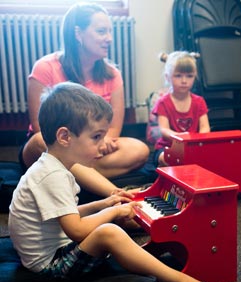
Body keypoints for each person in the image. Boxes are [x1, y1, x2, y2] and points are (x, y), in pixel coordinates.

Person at [9, 82, 235, 282]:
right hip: (50, 267)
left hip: (50, 253)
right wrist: (113, 211)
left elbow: (63, 214)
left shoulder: (51, 167)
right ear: (64, 136)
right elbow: (75, 229)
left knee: (108, 224)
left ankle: (150, 264)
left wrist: (104, 203)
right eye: (96, 137)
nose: (102, 145)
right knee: (110, 231)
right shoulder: (52, 177)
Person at [20, 2, 150, 197]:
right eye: (101, 31)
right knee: (39, 141)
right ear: (78, 33)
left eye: (110, 32)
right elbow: (41, 127)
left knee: (139, 149)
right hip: (52, 147)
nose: (110, 38)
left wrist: (102, 140)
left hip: (92, 147)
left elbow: (113, 128)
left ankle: (76, 177)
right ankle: (114, 194)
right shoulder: (44, 68)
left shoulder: (112, 74)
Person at [152, 51, 210, 166]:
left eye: (189, 76)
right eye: (178, 76)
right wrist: (181, 137)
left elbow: (205, 128)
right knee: (165, 158)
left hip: (194, 146)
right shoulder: (163, 102)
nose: (184, 81)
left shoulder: (199, 101)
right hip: (167, 147)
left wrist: (195, 141)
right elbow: (164, 130)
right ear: (167, 77)